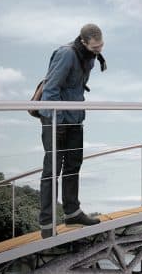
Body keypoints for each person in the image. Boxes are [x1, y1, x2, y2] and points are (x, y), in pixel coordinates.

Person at [38, 23, 107, 238]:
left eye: (101, 46)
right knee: (52, 170)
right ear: (84, 41)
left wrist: (76, 113)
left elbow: (76, 87)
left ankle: (72, 212)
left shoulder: (90, 56)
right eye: (95, 47)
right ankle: (47, 224)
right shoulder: (66, 54)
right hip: (56, 119)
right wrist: (55, 121)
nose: (99, 51)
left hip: (75, 117)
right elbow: (50, 90)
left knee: (74, 163)